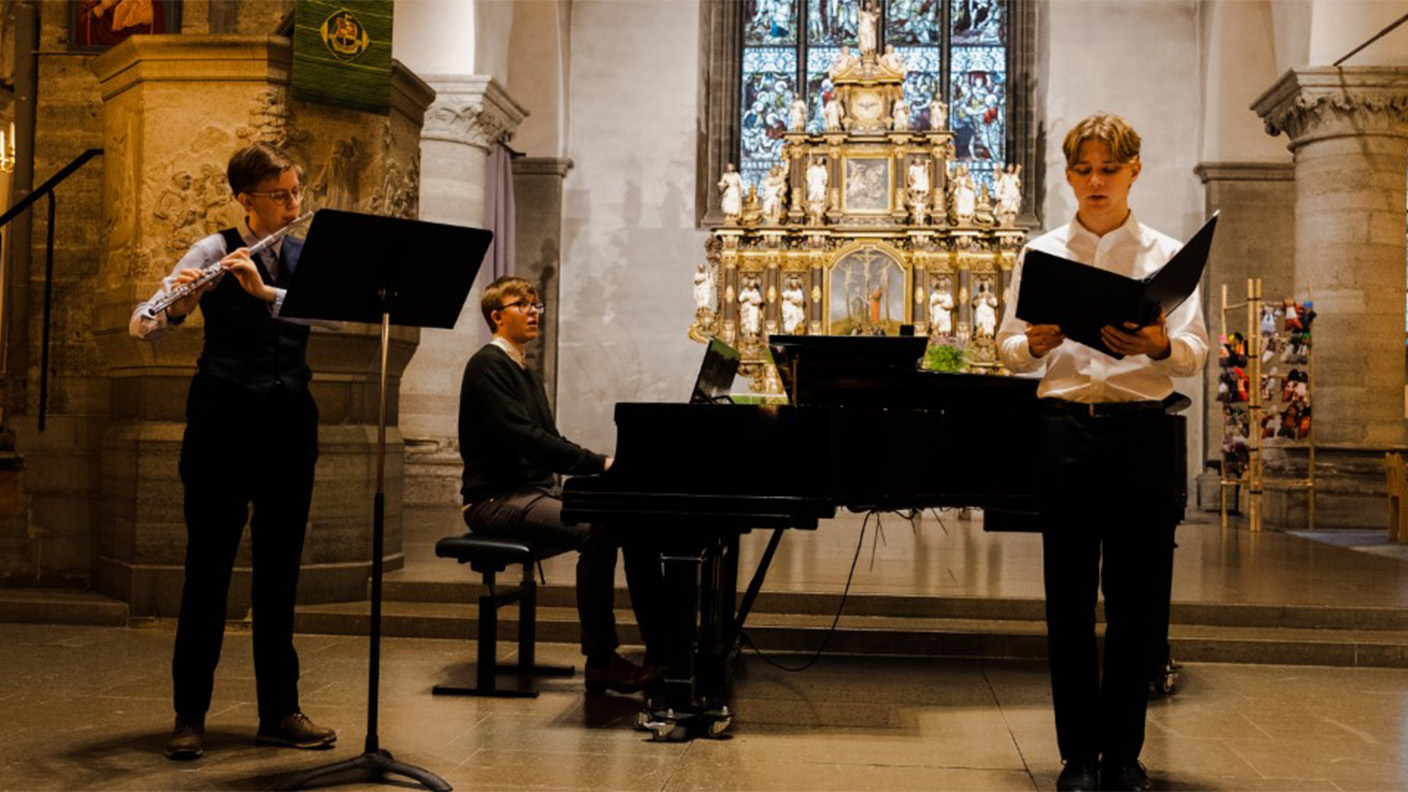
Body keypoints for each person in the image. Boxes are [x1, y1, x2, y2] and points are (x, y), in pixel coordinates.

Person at [996, 112, 1208, 792]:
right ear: (1068, 175)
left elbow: (1196, 351)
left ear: (1133, 171)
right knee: (1067, 599)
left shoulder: (1166, 258)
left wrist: (1158, 346)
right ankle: (1077, 758)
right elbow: (1006, 349)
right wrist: (1030, 345)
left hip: (1143, 432)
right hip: (1066, 432)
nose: (1094, 182)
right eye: (1082, 170)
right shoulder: (1041, 253)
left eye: (1108, 170)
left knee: (1137, 601)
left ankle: (1124, 754)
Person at [130, 142, 338, 761]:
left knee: (280, 574)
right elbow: (141, 322)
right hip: (222, 422)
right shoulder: (212, 250)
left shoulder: (304, 255)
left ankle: (280, 712)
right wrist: (182, 303)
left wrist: (265, 295)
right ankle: (189, 715)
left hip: (289, 424)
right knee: (208, 572)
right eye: (280, 195)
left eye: (296, 192)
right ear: (245, 199)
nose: (293, 204)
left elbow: (332, 318)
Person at [458, 276, 665, 694]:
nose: (534, 311)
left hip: (533, 494)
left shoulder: (524, 371)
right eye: (524, 305)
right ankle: (601, 661)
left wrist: (599, 466)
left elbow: (547, 439)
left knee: (631, 521)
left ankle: (665, 647)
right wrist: (599, 464)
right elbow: (527, 440)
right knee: (597, 530)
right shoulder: (487, 365)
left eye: (537, 305)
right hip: (494, 499)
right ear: (497, 316)